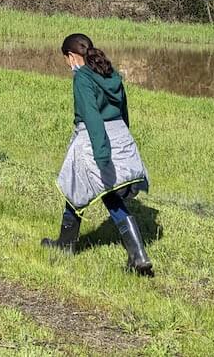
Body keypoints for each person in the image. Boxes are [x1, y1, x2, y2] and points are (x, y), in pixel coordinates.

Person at [42, 33, 153, 276]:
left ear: (71, 56)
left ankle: (69, 246)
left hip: (95, 141)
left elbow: (92, 117)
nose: (67, 65)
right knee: (92, 189)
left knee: (91, 190)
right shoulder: (109, 72)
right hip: (121, 136)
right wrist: (123, 142)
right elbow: (123, 109)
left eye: (66, 60)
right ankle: (135, 255)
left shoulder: (82, 77)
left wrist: (102, 155)